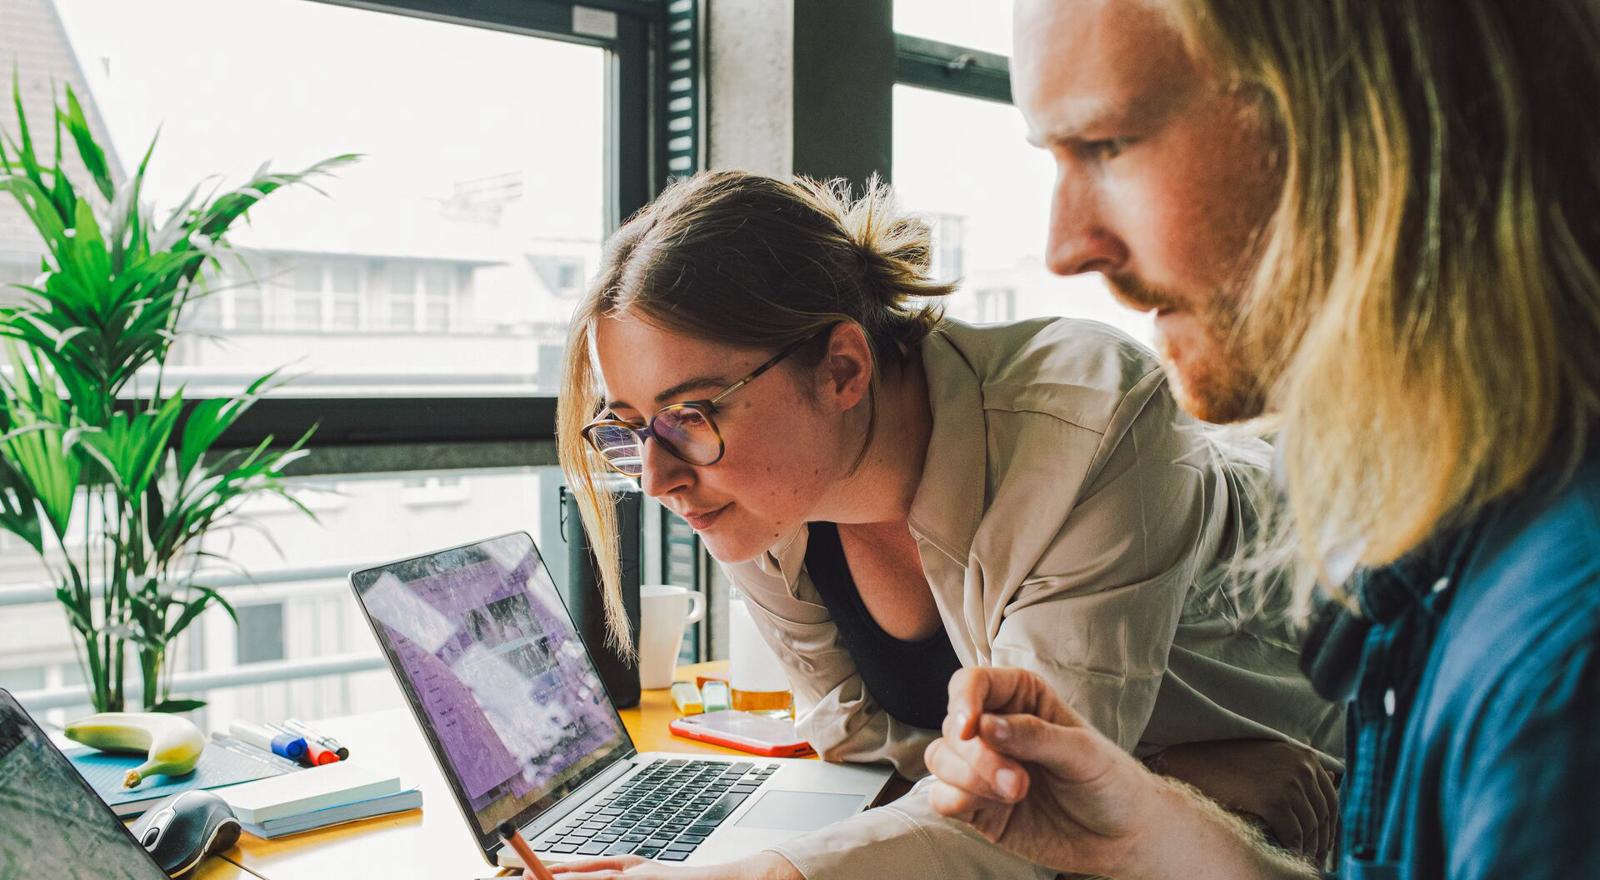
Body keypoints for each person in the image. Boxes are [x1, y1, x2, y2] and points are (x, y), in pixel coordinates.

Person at [924, 1, 1600, 878]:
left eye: (1108, 145)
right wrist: (1143, 835)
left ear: (1360, 118)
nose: (1063, 247)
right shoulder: (1457, 519)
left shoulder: (1559, 665)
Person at [546, 169, 1344, 880]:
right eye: (627, 429)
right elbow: (877, 764)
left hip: (1305, 832)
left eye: (689, 414)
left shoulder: (1091, 418)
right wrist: (1176, 775)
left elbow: (1044, 812)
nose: (656, 477)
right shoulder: (758, 496)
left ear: (844, 369)